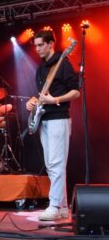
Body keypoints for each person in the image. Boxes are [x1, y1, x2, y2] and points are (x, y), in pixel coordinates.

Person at [26, 30, 80, 221]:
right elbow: (41, 94)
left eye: (41, 45)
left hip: (59, 118)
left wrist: (55, 100)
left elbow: (76, 92)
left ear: (51, 44)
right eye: (36, 45)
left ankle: (54, 205)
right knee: (52, 165)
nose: (38, 49)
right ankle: (63, 207)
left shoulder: (63, 63)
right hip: (44, 119)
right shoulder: (41, 68)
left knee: (56, 164)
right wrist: (32, 101)